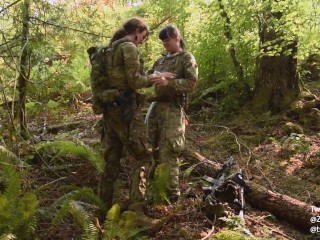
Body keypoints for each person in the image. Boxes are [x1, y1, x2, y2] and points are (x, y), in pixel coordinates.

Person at [97, 18, 173, 218]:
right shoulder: (128, 47)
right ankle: (136, 213)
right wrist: (153, 78)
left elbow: (119, 78)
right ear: (138, 31)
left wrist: (149, 74)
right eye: (143, 37)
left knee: (111, 160)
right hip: (125, 111)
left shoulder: (108, 49)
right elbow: (135, 81)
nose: (142, 42)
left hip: (110, 110)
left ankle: (102, 209)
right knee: (145, 156)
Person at [147, 25, 198, 203]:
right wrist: (153, 77)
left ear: (176, 37)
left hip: (173, 110)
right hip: (155, 109)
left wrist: (169, 82)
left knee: (169, 150)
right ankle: (154, 188)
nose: (165, 43)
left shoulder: (186, 58)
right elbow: (146, 78)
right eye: (162, 40)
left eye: (167, 39)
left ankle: (171, 195)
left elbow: (191, 83)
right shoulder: (160, 61)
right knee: (151, 148)